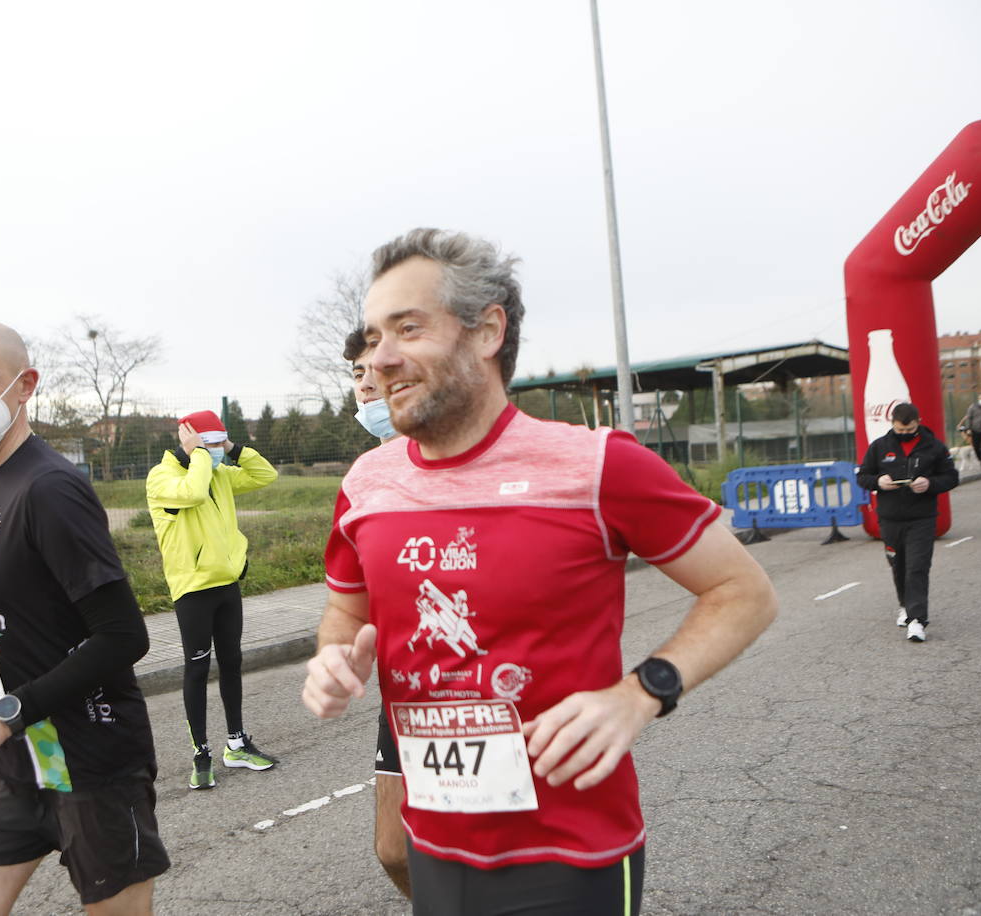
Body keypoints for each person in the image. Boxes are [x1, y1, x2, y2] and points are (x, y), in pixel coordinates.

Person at [302, 229, 778, 915]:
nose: (382, 360)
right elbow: (348, 613)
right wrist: (330, 659)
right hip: (434, 844)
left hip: (570, 853)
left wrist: (641, 693)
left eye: (408, 330)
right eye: (374, 337)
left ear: (487, 330)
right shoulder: (367, 484)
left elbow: (743, 592)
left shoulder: (595, 466)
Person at [0, 319, 168, 915]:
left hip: (89, 760)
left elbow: (123, 635)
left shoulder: (49, 487)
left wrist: (5, 714)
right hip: (14, 763)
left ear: (24, 385)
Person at [145, 409, 279, 790]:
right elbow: (193, 491)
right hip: (193, 589)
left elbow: (264, 475)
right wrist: (202, 455)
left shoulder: (218, 472)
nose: (218, 449)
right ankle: (201, 754)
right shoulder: (162, 478)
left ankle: (236, 744)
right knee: (197, 670)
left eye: (223, 441)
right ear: (191, 442)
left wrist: (232, 449)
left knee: (233, 662)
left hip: (227, 584)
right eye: (212, 442)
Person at [342, 326, 409, 899]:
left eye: (376, 371)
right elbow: (348, 597)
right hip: (405, 691)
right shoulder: (362, 479)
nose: (366, 386)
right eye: (357, 374)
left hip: (494, 689)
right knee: (395, 850)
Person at [856, 402, 959, 642]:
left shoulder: (934, 447)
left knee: (917, 567)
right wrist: (878, 481)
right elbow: (863, 476)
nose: (905, 434)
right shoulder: (879, 447)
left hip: (922, 518)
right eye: (900, 430)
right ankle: (904, 605)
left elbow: (951, 477)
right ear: (892, 424)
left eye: (909, 429)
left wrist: (930, 484)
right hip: (890, 518)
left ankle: (917, 620)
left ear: (918, 422)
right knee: (898, 565)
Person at [957, 391, 981, 469]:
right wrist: (969, 428)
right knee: (976, 446)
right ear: (978, 399)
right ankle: (980, 458)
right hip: (975, 429)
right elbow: (969, 418)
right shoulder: (973, 407)